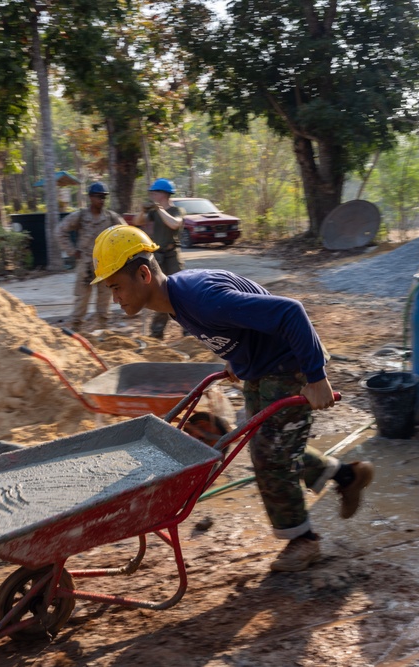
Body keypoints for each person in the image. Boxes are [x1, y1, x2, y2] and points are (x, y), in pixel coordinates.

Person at [91, 225, 375, 573]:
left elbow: (291, 312)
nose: (115, 297)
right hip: (260, 366)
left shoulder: (200, 297)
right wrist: (236, 357)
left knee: (270, 457)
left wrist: (316, 378)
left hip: (290, 364)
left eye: (116, 287)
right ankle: (346, 476)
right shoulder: (175, 301)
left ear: (144, 274)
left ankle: (304, 541)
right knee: (265, 438)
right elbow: (236, 322)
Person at [57, 181, 125, 331]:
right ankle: (75, 332)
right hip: (85, 265)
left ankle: (103, 333)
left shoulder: (110, 217)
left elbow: (126, 233)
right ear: (90, 197)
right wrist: (72, 251)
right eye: (98, 196)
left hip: (105, 265)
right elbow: (60, 231)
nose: (101, 200)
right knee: (81, 301)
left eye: (104, 197)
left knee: (104, 303)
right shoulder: (80, 216)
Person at [134, 178, 185, 340]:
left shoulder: (177, 210)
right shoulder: (153, 212)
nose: (152, 196)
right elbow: (137, 222)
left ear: (164, 194)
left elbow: (174, 224)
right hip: (157, 257)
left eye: (155, 193)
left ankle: (190, 330)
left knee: (181, 292)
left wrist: (160, 209)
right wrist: (143, 211)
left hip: (172, 256)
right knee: (160, 293)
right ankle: (156, 333)